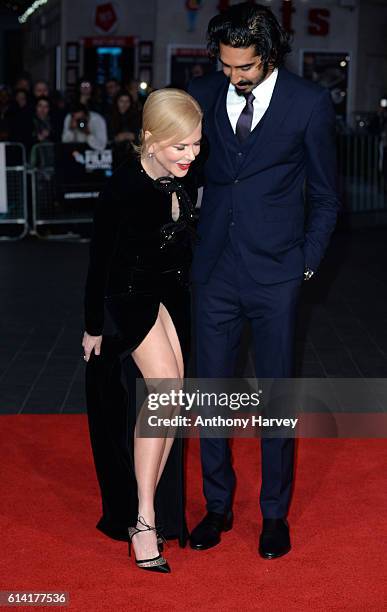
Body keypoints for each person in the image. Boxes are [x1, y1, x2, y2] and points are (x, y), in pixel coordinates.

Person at [188, 2, 340, 558]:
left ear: (269, 56)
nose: (234, 76)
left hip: (276, 274)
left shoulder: (309, 103)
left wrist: (305, 262)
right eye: (226, 66)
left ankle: (274, 514)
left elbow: (325, 194)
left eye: (244, 67)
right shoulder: (203, 93)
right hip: (214, 272)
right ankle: (218, 506)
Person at [82, 88, 203, 573]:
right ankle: (144, 520)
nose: (191, 156)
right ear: (151, 139)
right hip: (130, 297)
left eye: (196, 145)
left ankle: (147, 506)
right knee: (165, 390)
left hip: (172, 297)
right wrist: (93, 327)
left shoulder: (181, 179)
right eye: (181, 147)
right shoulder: (121, 189)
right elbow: (98, 263)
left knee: (173, 399)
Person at [108, 90, 142, 167]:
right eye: (121, 101)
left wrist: (132, 136)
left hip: (132, 155)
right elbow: (106, 136)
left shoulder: (136, 116)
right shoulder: (109, 117)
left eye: (127, 101)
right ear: (116, 102)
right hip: (113, 155)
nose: (124, 104)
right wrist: (115, 138)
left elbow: (142, 134)